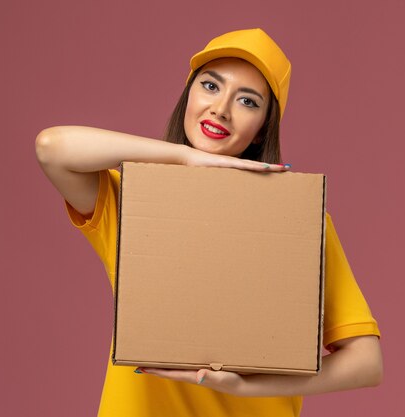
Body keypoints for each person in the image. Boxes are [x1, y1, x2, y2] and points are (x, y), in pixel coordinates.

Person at [35, 28, 382, 417]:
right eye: (211, 86)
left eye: (247, 100)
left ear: (264, 126)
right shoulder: (133, 202)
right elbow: (53, 148)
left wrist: (250, 387)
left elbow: (367, 361)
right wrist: (184, 159)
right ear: (188, 96)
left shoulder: (299, 224)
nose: (221, 109)